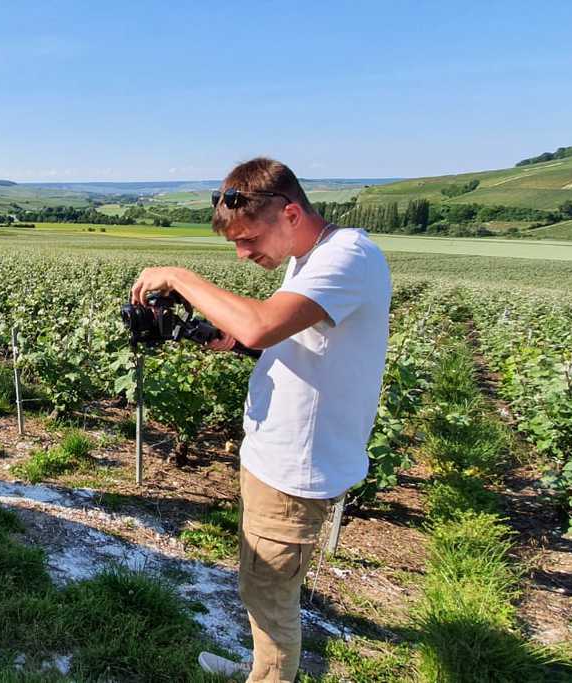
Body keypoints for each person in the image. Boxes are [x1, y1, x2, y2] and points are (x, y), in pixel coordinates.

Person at [129, 158, 391, 683]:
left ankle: (270, 676)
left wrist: (179, 276)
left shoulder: (348, 257)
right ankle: (263, 668)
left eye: (248, 239)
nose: (244, 254)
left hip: (300, 465)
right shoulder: (308, 255)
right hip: (276, 455)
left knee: (269, 592)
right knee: (259, 581)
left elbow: (263, 324)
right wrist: (238, 344)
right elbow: (297, 342)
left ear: (290, 212)